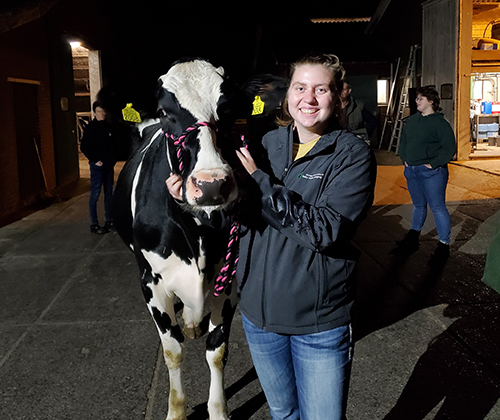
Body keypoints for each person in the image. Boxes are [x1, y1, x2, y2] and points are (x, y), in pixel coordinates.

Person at [167, 52, 376, 420]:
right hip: (260, 321)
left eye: (320, 89)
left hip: (318, 322)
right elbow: (236, 220)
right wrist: (191, 199)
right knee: (282, 413)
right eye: (300, 87)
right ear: (287, 94)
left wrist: (260, 183)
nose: (308, 98)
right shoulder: (264, 144)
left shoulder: (351, 155)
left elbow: (325, 231)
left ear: (338, 95)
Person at [393, 86, 456, 266]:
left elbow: (449, 148)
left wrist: (433, 164)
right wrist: (404, 158)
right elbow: (403, 141)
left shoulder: (439, 123)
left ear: (431, 101)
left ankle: (443, 246)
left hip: (432, 172)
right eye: (417, 99)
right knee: (418, 205)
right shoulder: (413, 120)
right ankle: (413, 238)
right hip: (412, 170)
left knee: (437, 207)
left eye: (420, 99)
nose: (417, 102)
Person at [80, 101, 117, 234]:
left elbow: (113, 146)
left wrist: (112, 160)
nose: (102, 113)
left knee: (109, 195)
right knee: (95, 194)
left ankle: (109, 221)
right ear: (94, 113)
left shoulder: (108, 127)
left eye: (103, 111)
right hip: (97, 167)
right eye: (99, 111)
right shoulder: (91, 128)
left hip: (108, 166)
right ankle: (94, 224)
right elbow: (84, 146)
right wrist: (95, 160)